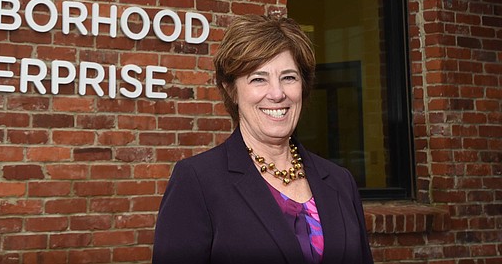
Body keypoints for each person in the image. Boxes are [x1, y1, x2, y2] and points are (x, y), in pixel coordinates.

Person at [152, 14, 373, 264]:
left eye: (288, 77)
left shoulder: (340, 181)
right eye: (259, 79)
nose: (277, 94)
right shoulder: (196, 181)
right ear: (231, 89)